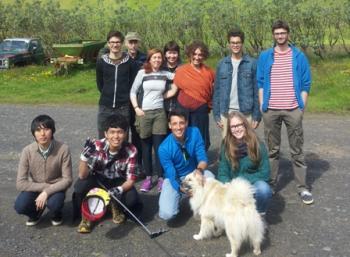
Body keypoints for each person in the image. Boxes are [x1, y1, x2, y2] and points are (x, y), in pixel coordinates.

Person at [257, 20, 313, 204]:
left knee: (297, 150)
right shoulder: (266, 56)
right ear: (273, 35)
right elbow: (260, 82)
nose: (280, 36)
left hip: (293, 109)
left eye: (283, 33)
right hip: (271, 110)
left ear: (288, 34)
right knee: (272, 150)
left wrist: (301, 107)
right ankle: (271, 184)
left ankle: (303, 188)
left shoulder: (298, 56)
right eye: (277, 33)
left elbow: (306, 83)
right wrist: (261, 105)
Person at [72, 113, 142, 233]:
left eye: (120, 132)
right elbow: (83, 175)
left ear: (125, 134)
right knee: (79, 187)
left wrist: (120, 189)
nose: (116, 136)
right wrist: (83, 158)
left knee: (132, 200)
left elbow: (131, 180)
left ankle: (114, 204)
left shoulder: (131, 150)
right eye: (112, 132)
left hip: (117, 180)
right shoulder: (96, 146)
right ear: (105, 133)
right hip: (98, 179)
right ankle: (86, 216)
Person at [130, 49, 178, 193]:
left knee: (159, 148)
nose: (157, 60)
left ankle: (161, 177)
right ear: (149, 59)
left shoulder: (164, 74)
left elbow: (179, 77)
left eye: (159, 58)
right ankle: (148, 178)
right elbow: (133, 91)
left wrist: (171, 92)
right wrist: (136, 108)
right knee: (145, 146)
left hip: (159, 114)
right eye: (154, 57)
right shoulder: (142, 73)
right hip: (144, 113)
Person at [14, 115, 72, 226]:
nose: (42, 134)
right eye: (38, 130)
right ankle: (35, 213)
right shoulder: (27, 151)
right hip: (35, 186)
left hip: (56, 187)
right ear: (33, 133)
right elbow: (20, 183)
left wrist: (47, 192)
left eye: (46, 129)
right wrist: (44, 188)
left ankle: (56, 213)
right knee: (20, 206)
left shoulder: (63, 149)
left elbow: (67, 180)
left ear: (52, 131)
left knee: (54, 204)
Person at [158, 109, 214, 220]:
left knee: (210, 177)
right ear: (169, 125)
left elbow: (202, 157)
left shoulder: (195, 132)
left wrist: (199, 170)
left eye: (181, 123)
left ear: (186, 123)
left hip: (193, 173)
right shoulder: (163, 148)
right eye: (174, 124)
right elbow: (171, 175)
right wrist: (182, 188)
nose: (178, 127)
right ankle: (181, 198)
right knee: (167, 214)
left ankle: (204, 205)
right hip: (175, 178)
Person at [217, 112, 272, 214]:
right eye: (233, 127)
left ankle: (259, 215)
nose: (237, 129)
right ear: (229, 129)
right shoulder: (226, 145)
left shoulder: (258, 145)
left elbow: (265, 173)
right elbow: (222, 171)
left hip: (253, 183)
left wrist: (243, 182)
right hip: (233, 185)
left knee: (264, 190)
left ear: (245, 125)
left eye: (239, 125)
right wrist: (229, 184)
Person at [213, 29, 261, 138]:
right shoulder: (222, 64)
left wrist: (256, 115)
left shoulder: (252, 63)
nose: (235, 45)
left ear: (242, 43)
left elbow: (257, 91)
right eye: (233, 43)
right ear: (229, 44)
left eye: (238, 42)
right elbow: (217, 91)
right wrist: (216, 115)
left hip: (246, 112)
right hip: (226, 112)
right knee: (228, 146)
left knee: (247, 145)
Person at [96, 31, 139, 139]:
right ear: (108, 43)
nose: (115, 45)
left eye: (117, 42)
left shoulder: (129, 62)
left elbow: (133, 83)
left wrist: (125, 96)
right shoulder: (101, 62)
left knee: (122, 139)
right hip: (105, 106)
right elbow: (100, 83)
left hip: (123, 107)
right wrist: (107, 93)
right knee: (103, 138)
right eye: (112, 42)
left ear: (122, 43)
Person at [174, 41, 215, 151]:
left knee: (201, 137)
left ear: (204, 56)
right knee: (183, 136)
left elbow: (212, 90)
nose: (197, 57)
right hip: (183, 109)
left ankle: (200, 163)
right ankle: (185, 163)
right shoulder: (181, 70)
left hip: (201, 110)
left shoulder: (209, 72)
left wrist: (210, 105)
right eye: (194, 54)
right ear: (190, 54)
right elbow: (174, 90)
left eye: (200, 54)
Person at [125, 32, 147, 167]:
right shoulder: (121, 57)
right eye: (130, 42)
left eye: (135, 42)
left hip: (139, 100)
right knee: (122, 132)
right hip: (123, 100)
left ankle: (137, 163)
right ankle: (122, 162)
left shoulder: (144, 58)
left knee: (137, 132)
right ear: (126, 43)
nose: (133, 45)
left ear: (138, 43)